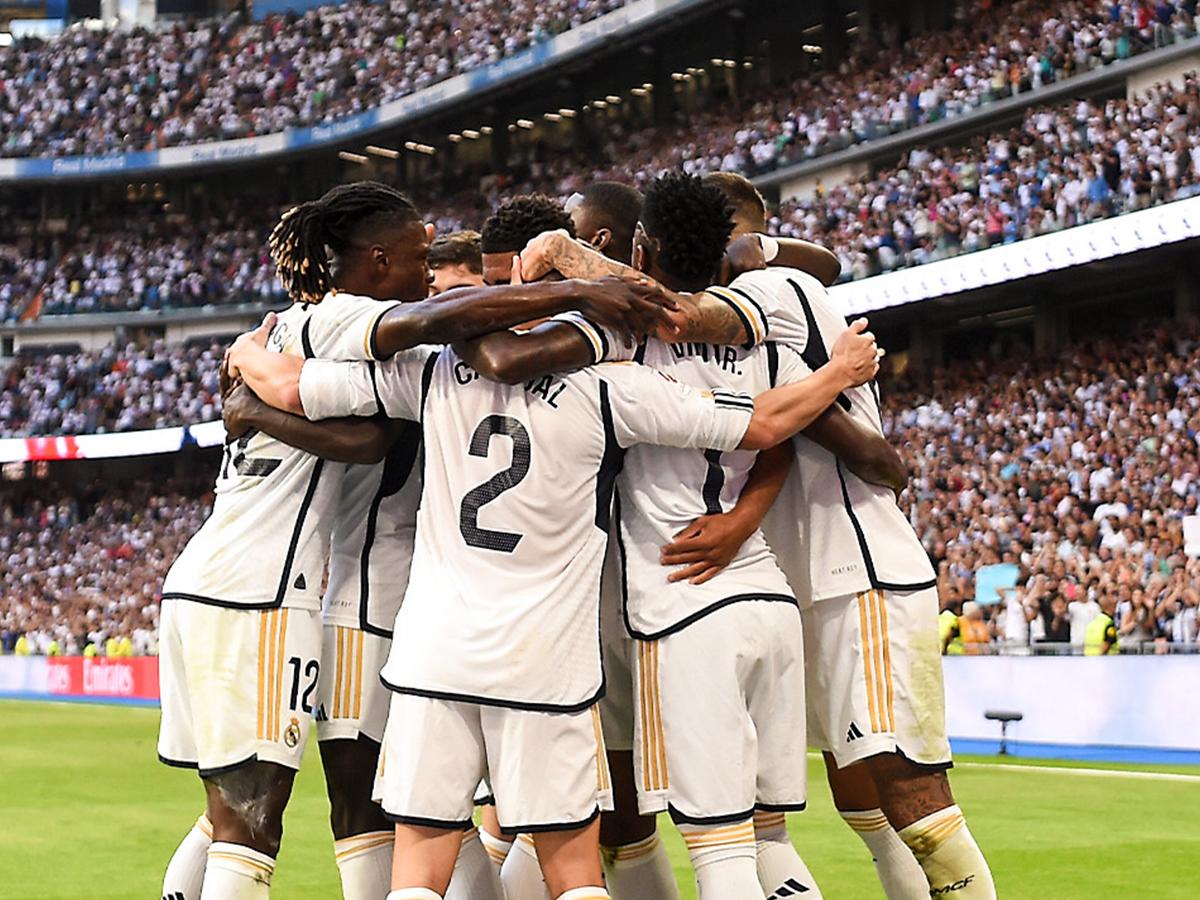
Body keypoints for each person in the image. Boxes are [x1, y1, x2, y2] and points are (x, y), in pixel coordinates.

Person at [226, 277, 881, 900]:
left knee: (419, 868)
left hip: (435, 655)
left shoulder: (429, 371)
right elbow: (763, 425)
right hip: (547, 664)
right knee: (572, 870)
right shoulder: (610, 388)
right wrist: (839, 373)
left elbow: (290, 386)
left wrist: (248, 352)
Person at [158, 180, 670, 900]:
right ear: (377, 260)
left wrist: (252, 388)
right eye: (423, 266)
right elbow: (389, 406)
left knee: (289, 814)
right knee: (290, 817)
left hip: (318, 598)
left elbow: (356, 413)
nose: (431, 287)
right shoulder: (371, 330)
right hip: (331, 602)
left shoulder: (288, 335)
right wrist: (577, 293)